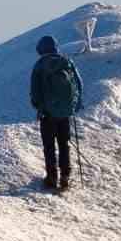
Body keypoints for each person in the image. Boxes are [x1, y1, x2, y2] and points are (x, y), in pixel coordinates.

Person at [30, 34, 83, 191]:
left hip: (48, 113)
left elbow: (35, 90)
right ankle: (65, 176)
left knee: (49, 146)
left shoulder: (40, 65)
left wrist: (39, 106)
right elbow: (79, 84)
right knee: (64, 144)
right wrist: (75, 105)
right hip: (65, 112)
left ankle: (51, 178)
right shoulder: (66, 62)